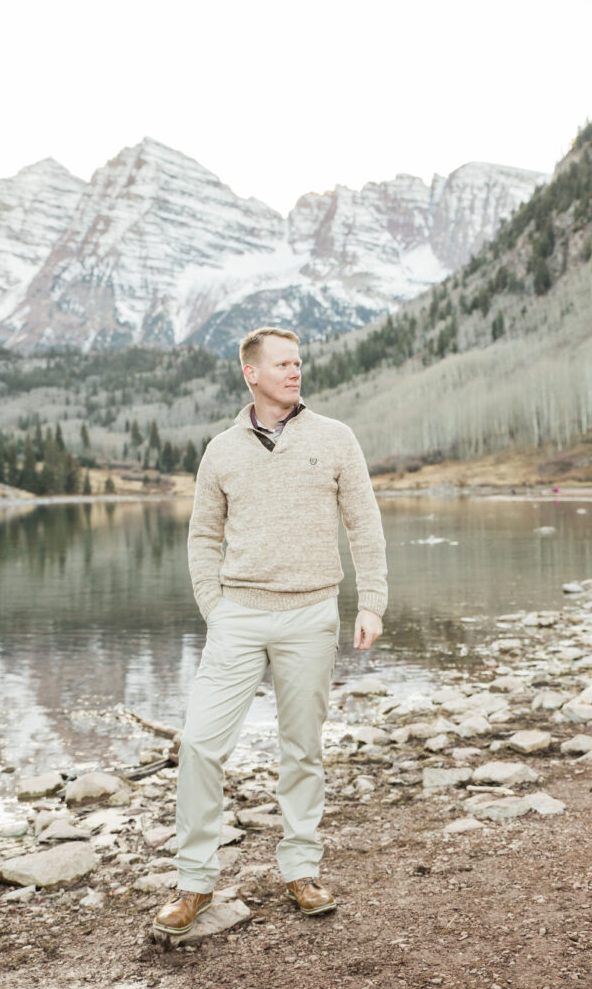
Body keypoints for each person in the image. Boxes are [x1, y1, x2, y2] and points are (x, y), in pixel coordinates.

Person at [153, 326, 388, 937]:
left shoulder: (335, 438)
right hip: (238, 615)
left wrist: (372, 602)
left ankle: (301, 869)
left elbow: (364, 525)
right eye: (283, 363)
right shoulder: (222, 450)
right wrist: (215, 606)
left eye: (299, 362)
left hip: (311, 613)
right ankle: (194, 882)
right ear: (250, 373)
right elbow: (203, 536)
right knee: (202, 742)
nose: (296, 372)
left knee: (301, 748)